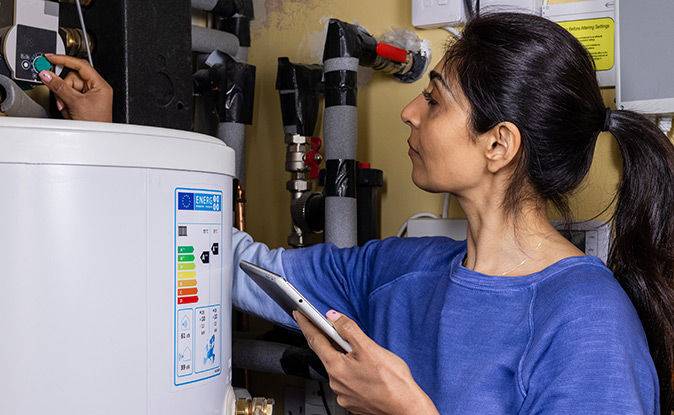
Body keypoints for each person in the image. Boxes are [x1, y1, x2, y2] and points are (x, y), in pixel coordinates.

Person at [40, 13, 673, 415]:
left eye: (434, 100)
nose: (409, 113)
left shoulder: (589, 325)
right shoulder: (400, 269)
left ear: (498, 144)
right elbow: (229, 266)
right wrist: (111, 145)